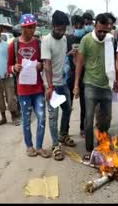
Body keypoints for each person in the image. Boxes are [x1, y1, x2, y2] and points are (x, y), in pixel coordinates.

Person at [73, 13, 115, 164]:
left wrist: (115, 80)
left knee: (107, 118)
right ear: (95, 25)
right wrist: (76, 85)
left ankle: (102, 143)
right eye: (100, 31)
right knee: (89, 119)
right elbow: (79, 63)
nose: (103, 34)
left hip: (106, 86)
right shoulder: (86, 40)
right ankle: (89, 150)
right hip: (90, 85)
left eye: (106, 31)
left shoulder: (110, 40)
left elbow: (113, 61)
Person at [7, 14, 50, 158]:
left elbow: (43, 62)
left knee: (42, 117)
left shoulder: (38, 43)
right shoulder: (14, 45)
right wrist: (14, 68)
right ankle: (29, 146)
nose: (32, 30)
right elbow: (8, 66)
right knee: (26, 119)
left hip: (37, 88)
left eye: (33, 27)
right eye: (28, 27)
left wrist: (40, 65)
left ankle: (39, 146)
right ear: (22, 28)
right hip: (23, 90)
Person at [42, 10, 75, 161]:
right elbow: (47, 64)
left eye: (64, 29)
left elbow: (60, 57)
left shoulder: (63, 40)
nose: (62, 32)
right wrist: (49, 87)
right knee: (54, 116)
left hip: (63, 83)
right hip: (53, 86)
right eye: (59, 29)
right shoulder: (46, 41)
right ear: (52, 26)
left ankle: (63, 135)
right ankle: (55, 145)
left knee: (67, 109)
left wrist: (71, 53)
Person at [66, 15, 86, 138]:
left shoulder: (86, 38)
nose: (78, 27)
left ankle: (83, 128)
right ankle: (65, 129)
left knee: (85, 104)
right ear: (73, 26)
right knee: (68, 104)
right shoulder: (67, 39)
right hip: (70, 75)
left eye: (81, 25)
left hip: (84, 75)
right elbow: (62, 56)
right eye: (76, 25)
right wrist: (69, 54)